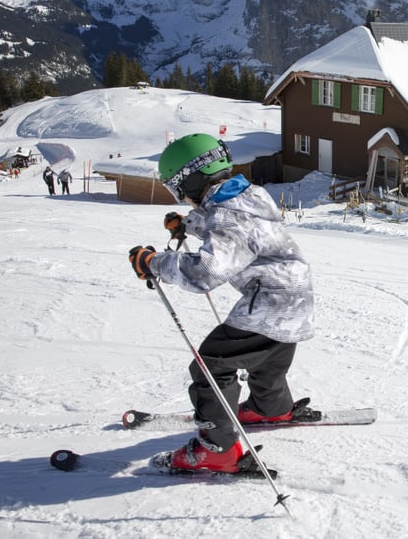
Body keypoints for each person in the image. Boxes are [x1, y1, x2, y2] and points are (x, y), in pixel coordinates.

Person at [127, 133, 315, 473]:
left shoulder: (227, 216)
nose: (179, 196)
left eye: (176, 187)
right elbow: (235, 231)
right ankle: (271, 407)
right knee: (267, 356)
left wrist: (153, 262)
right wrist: (190, 224)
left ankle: (217, 450)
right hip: (296, 296)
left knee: (211, 366)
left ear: (190, 178)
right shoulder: (248, 197)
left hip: (268, 300)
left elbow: (204, 272)